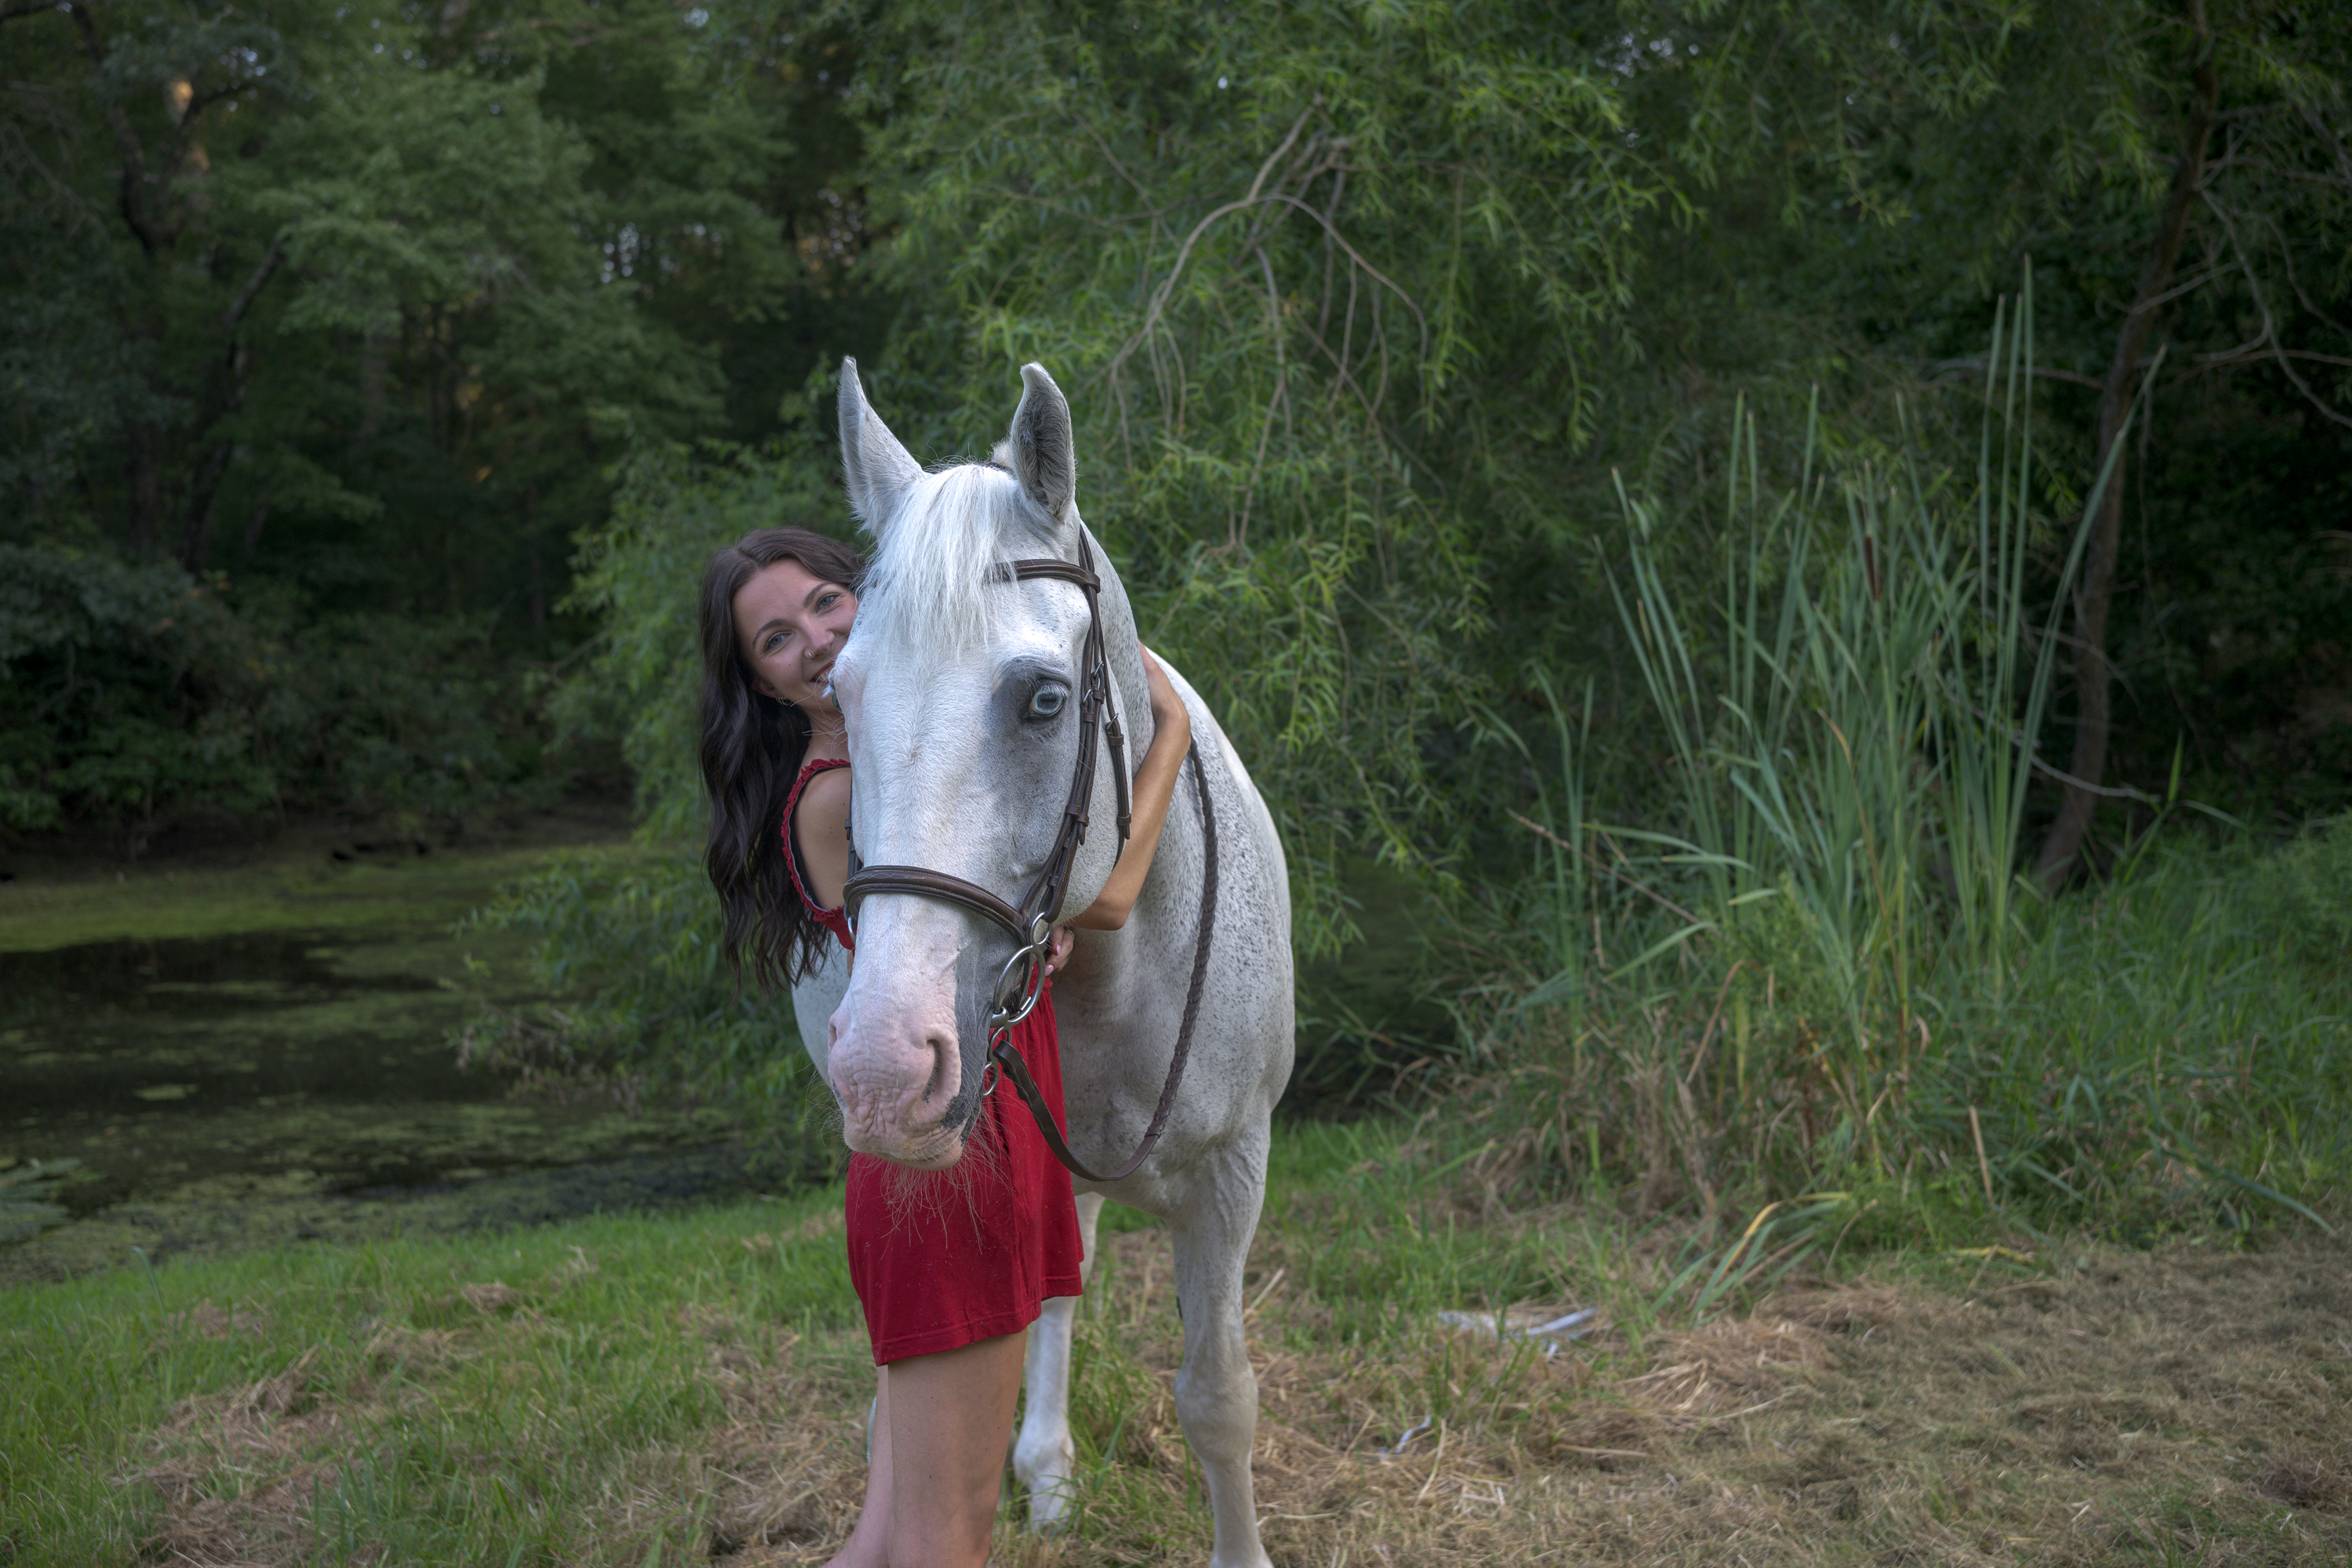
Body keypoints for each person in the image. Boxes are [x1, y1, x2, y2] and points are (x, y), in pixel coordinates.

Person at [697, 526, 1193, 1567]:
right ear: (762, 685)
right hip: (953, 1144)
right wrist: (1171, 739)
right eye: (776, 639)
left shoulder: (909, 761)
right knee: (947, 1537)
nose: (816, 640)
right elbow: (1107, 901)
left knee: (889, 1535)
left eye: (827, 602)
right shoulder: (846, 792)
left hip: (955, 1131)